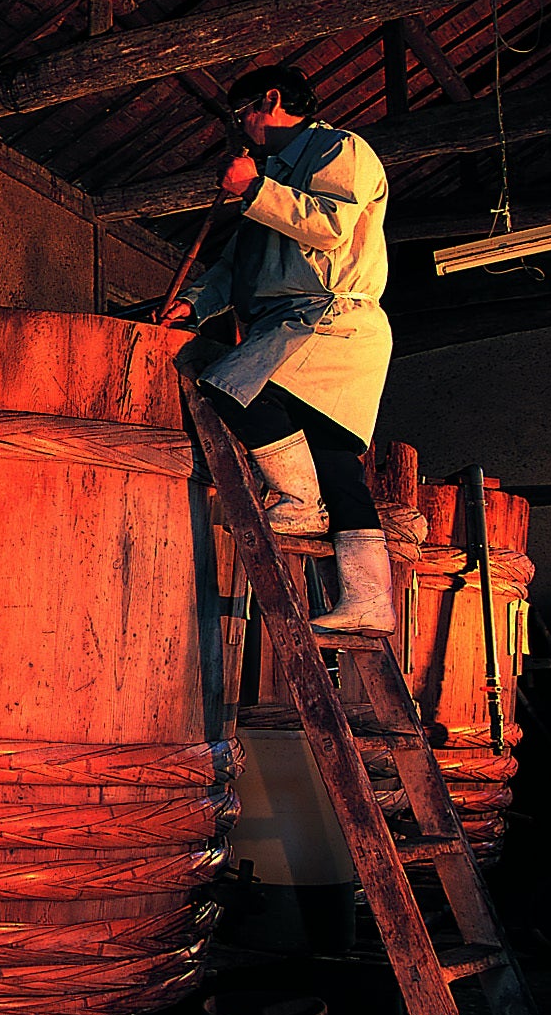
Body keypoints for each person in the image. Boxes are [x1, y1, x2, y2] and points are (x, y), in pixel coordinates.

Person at [160, 66, 395, 635]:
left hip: (332, 320)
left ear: (271, 100)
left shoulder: (340, 149)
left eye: (242, 113)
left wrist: (254, 190)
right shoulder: (271, 177)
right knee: (336, 466)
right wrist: (194, 303)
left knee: (227, 387)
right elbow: (236, 264)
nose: (240, 127)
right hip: (288, 326)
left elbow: (331, 226)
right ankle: (370, 601)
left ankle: (301, 503)